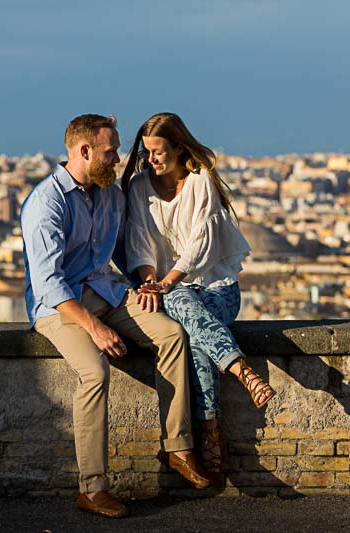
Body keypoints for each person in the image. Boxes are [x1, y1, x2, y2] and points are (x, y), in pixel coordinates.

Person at [21, 114, 212, 519]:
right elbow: (49, 285)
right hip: (62, 307)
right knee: (94, 373)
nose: (119, 158)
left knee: (172, 335)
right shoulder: (46, 203)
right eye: (111, 152)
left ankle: (177, 446)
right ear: (84, 151)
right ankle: (92, 488)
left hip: (108, 291)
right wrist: (95, 327)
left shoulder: (110, 194)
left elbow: (127, 251)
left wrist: (151, 283)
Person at [121, 112, 276, 479]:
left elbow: (200, 245)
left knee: (178, 303)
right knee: (190, 336)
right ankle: (238, 374)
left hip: (218, 290)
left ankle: (207, 432)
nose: (152, 160)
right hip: (174, 289)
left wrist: (166, 282)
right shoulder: (140, 186)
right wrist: (151, 281)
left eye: (158, 152)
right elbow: (139, 243)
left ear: (178, 147)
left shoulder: (200, 181)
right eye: (147, 153)